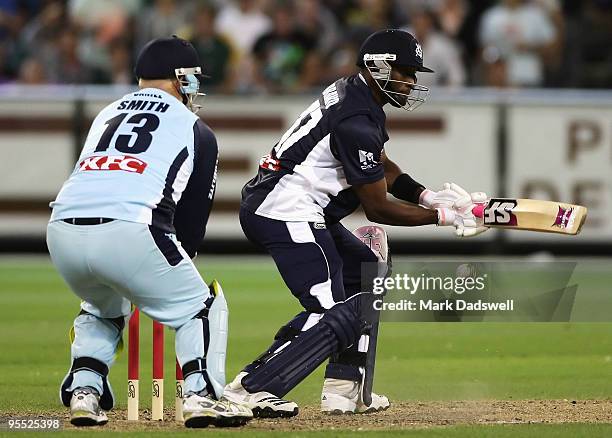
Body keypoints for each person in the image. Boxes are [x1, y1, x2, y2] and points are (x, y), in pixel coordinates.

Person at [222, 29, 487, 417]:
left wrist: (426, 196)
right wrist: (444, 217)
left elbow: (378, 162)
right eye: (406, 72)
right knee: (332, 312)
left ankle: (342, 389)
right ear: (379, 67)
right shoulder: (355, 117)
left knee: (367, 275)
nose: (411, 82)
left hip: (296, 206)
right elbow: (377, 208)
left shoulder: (356, 94)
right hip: (285, 210)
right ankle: (250, 387)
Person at [47, 36, 252, 428]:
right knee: (202, 307)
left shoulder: (106, 113)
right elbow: (190, 225)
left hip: (61, 229)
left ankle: (84, 392)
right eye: (191, 77)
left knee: (102, 309)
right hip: (132, 230)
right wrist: (164, 273)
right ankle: (202, 396)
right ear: (180, 79)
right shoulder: (196, 129)